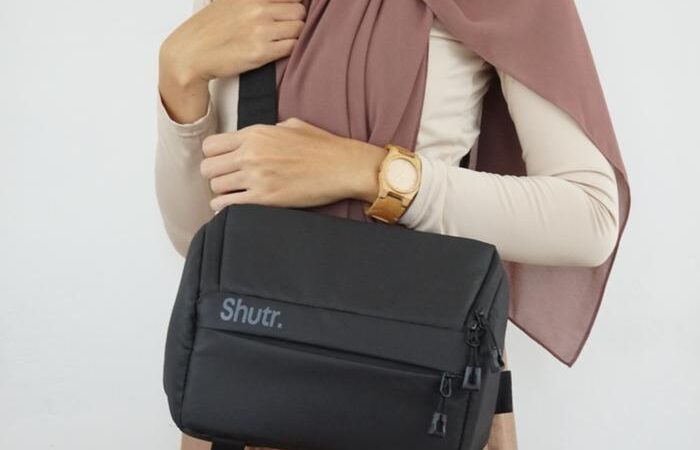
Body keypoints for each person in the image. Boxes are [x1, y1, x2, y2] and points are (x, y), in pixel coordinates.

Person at [155, 1, 621, 449]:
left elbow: (590, 214)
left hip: (418, 394)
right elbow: (198, 238)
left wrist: (369, 172)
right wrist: (179, 76)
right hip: (243, 392)